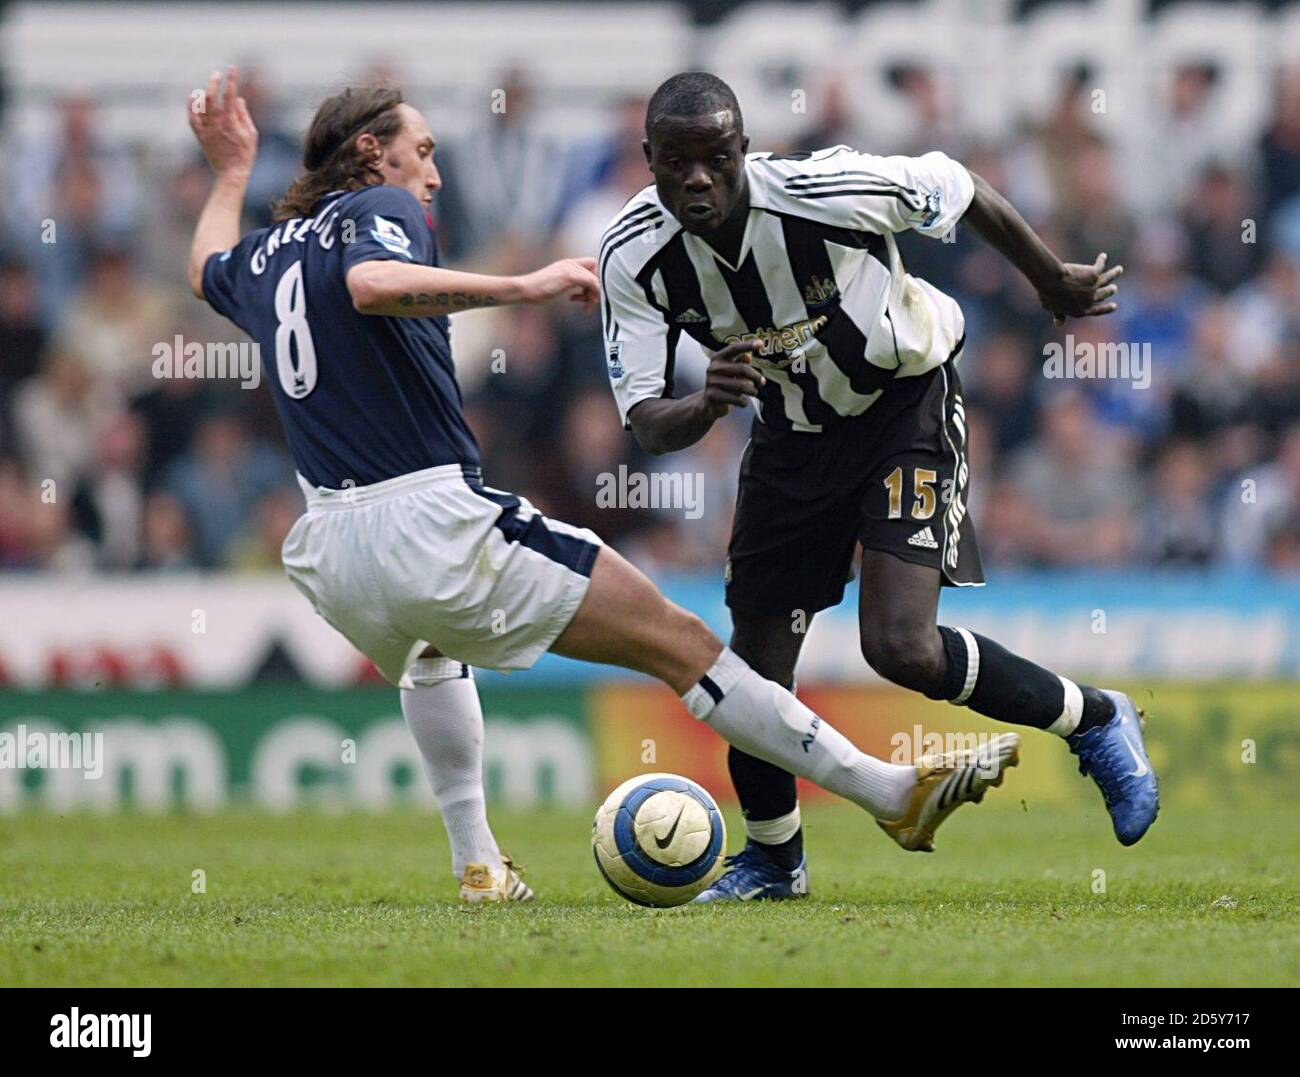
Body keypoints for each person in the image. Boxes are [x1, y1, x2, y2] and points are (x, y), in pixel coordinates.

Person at [187, 69, 1019, 903]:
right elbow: (373, 286)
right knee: (680, 642)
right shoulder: (382, 209)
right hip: (427, 513)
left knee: (430, 655)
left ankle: (478, 866)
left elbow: (204, 269)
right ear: (371, 151)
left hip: (332, 546)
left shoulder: (267, 249)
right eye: (424, 152)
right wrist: (525, 286)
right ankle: (890, 793)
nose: (434, 176)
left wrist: (229, 173)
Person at [598, 72, 1158, 904]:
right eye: (677, 162)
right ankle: (774, 859)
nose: (698, 180)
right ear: (649, 159)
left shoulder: (828, 190)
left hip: (905, 406)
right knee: (752, 673)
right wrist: (704, 402)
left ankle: (1096, 718)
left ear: (744, 149)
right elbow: (646, 419)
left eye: (716, 159)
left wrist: (1048, 280)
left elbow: (959, 187)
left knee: (900, 645)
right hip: (791, 440)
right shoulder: (632, 256)